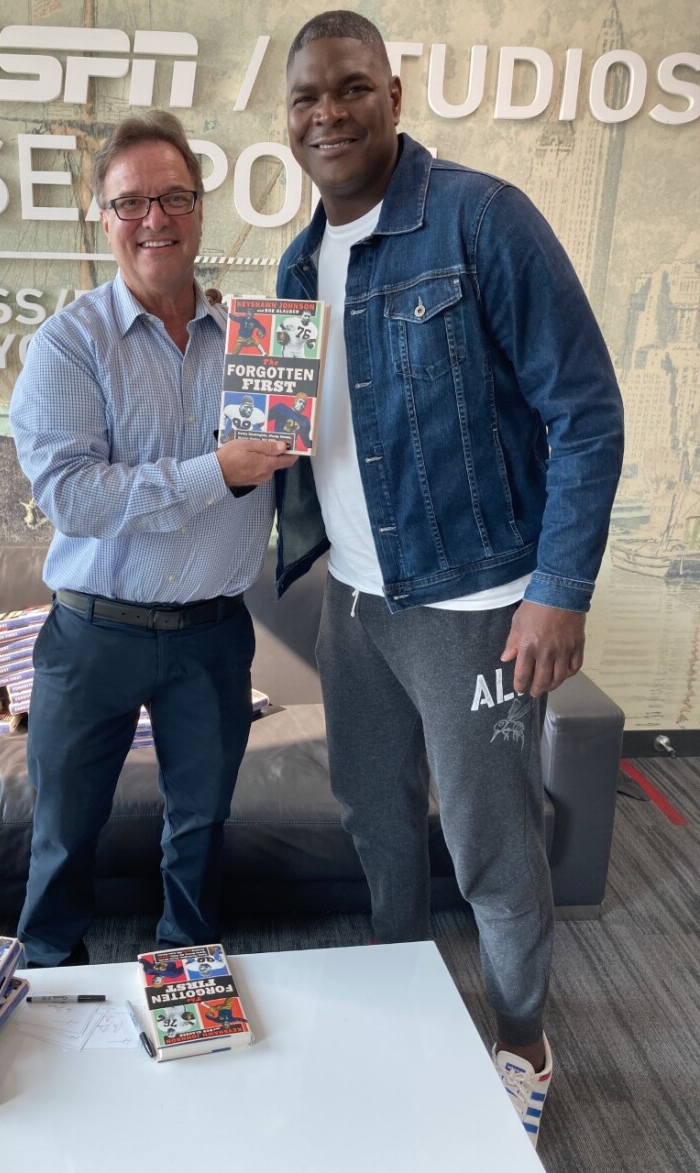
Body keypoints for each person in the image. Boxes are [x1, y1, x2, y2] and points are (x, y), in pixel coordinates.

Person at [276, 12, 624, 1146]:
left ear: (393, 92)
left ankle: (520, 1042)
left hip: (476, 608)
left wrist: (557, 588)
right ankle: (401, 1006)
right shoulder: (294, 261)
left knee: (491, 847)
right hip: (358, 607)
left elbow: (585, 413)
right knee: (374, 823)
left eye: (350, 88)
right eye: (305, 97)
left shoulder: (479, 220)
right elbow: (304, 438)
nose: (327, 113)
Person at [10, 110, 296, 968]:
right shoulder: (69, 344)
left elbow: (307, 466)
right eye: (131, 203)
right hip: (92, 635)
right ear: (105, 218)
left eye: (174, 197)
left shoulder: (262, 343)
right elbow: (73, 495)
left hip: (212, 635)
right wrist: (217, 470)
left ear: (200, 210)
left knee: (202, 827)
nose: (155, 220)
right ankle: (49, 982)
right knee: (64, 832)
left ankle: (184, 975)